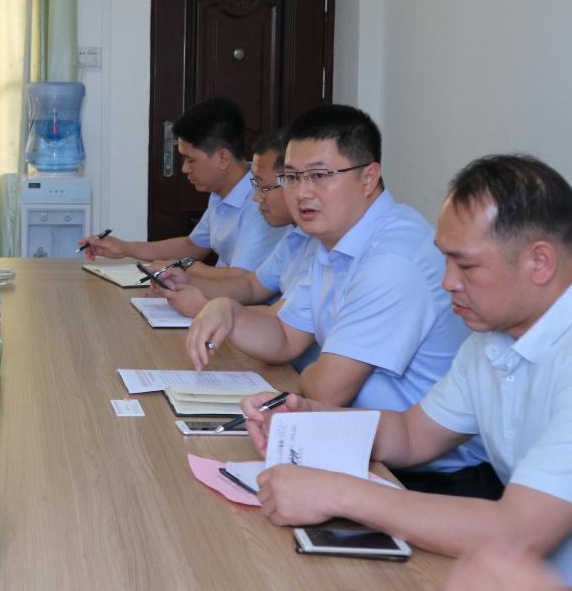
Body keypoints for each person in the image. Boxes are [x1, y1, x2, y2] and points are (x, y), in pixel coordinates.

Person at [240, 155, 572, 581]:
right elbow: (414, 434)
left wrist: (339, 493)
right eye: (445, 260)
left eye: (466, 265)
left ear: (539, 263)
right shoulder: (490, 341)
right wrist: (311, 420)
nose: (448, 281)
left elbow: (516, 534)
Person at [187, 105, 492, 495]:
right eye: (292, 177)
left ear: (369, 177)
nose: (302, 192)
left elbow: (326, 391)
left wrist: (304, 379)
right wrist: (228, 311)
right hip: (361, 445)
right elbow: (284, 336)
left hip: (428, 478)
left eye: (319, 175)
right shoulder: (333, 241)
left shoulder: (392, 258)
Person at [153, 128, 320, 371]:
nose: (256, 198)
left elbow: (281, 327)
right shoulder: (296, 236)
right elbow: (251, 285)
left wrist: (204, 307)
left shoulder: (324, 245)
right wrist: (190, 281)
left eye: (263, 187)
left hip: (292, 371)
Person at [78, 97, 285, 270]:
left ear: (223, 158)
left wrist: (179, 271)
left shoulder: (263, 201)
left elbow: (242, 282)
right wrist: (125, 248)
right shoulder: (221, 192)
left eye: (191, 160)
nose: (184, 169)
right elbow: (193, 246)